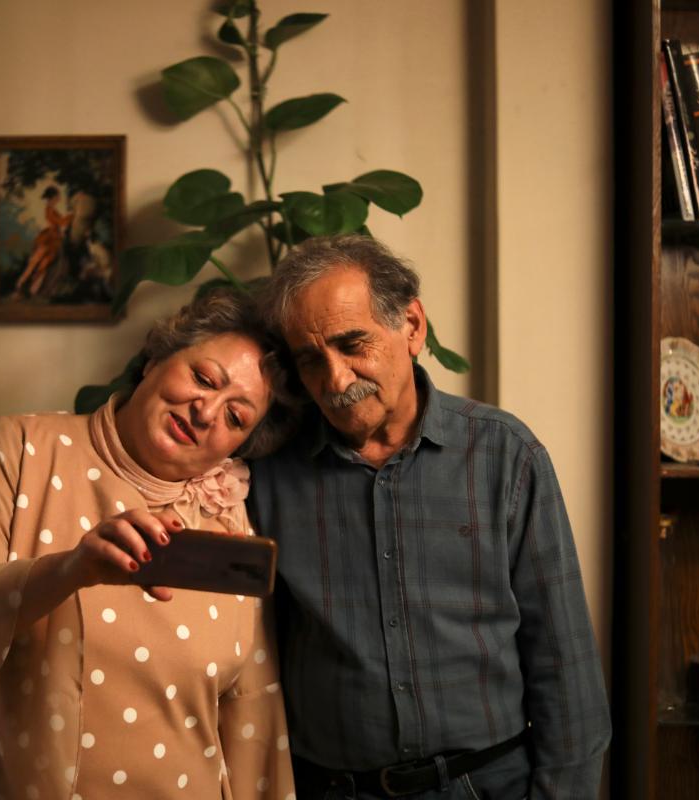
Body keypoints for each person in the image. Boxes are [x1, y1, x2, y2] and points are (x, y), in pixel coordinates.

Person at [0, 287, 299, 799]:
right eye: (204, 379)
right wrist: (70, 570)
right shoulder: (19, 449)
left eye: (236, 417)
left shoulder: (229, 517)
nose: (207, 412)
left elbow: (253, 707)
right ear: (155, 360)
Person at [248, 235, 610, 799]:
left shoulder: (505, 455)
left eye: (352, 344)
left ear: (412, 326)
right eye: (311, 359)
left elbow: (565, 668)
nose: (336, 380)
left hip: (487, 788)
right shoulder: (265, 473)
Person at [13, 185, 73, 298]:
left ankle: (29, 289)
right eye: (58, 196)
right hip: (48, 239)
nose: (59, 198)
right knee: (34, 264)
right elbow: (61, 222)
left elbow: (61, 223)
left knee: (42, 266)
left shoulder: (52, 209)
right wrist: (72, 216)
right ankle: (20, 286)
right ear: (53, 197)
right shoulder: (49, 209)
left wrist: (68, 218)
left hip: (54, 240)